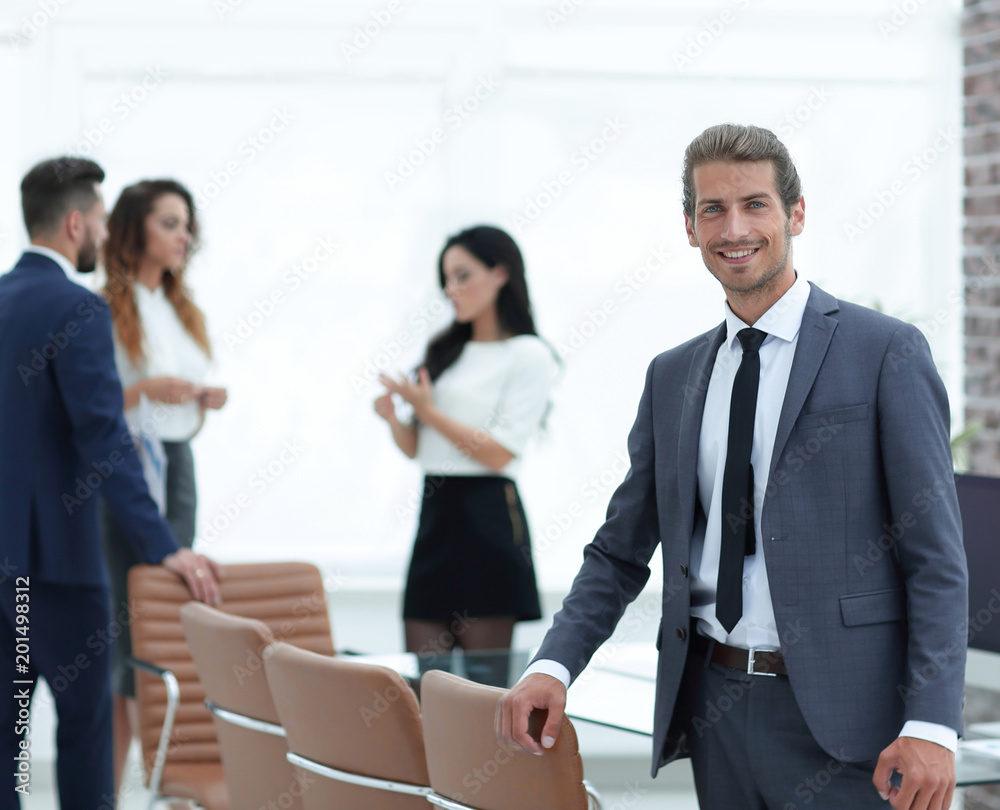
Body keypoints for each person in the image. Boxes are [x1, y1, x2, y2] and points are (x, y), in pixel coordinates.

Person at [497, 124, 968, 810]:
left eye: (755, 204)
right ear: (689, 227)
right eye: (712, 209)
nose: (734, 227)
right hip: (714, 707)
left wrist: (932, 724)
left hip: (850, 722)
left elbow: (936, 559)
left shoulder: (885, 352)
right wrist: (553, 664)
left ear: (795, 214)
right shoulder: (673, 376)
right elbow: (620, 552)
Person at [0, 157, 221, 810]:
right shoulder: (77, 307)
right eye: (98, 220)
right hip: (62, 570)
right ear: (76, 224)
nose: (100, 232)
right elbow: (105, 439)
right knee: (87, 732)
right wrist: (162, 545)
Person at [375, 225, 558, 662]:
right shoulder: (445, 351)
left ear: (500, 274)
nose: (450, 289)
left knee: (483, 695)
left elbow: (499, 453)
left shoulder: (528, 355)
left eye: (462, 275)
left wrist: (428, 411)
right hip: (436, 517)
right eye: (446, 279)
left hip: (488, 519)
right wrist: (393, 419)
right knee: (422, 687)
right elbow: (419, 449)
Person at [99, 178, 228, 791]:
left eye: (186, 225)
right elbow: (93, 410)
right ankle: (109, 791)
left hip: (177, 466)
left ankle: (163, 786)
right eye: (170, 223)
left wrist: (203, 398)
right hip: (126, 469)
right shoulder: (102, 307)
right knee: (129, 632)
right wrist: (148, 392)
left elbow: (172, 405)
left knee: (163, 624)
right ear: (135, 231)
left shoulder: (182, 309)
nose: (184, 237)